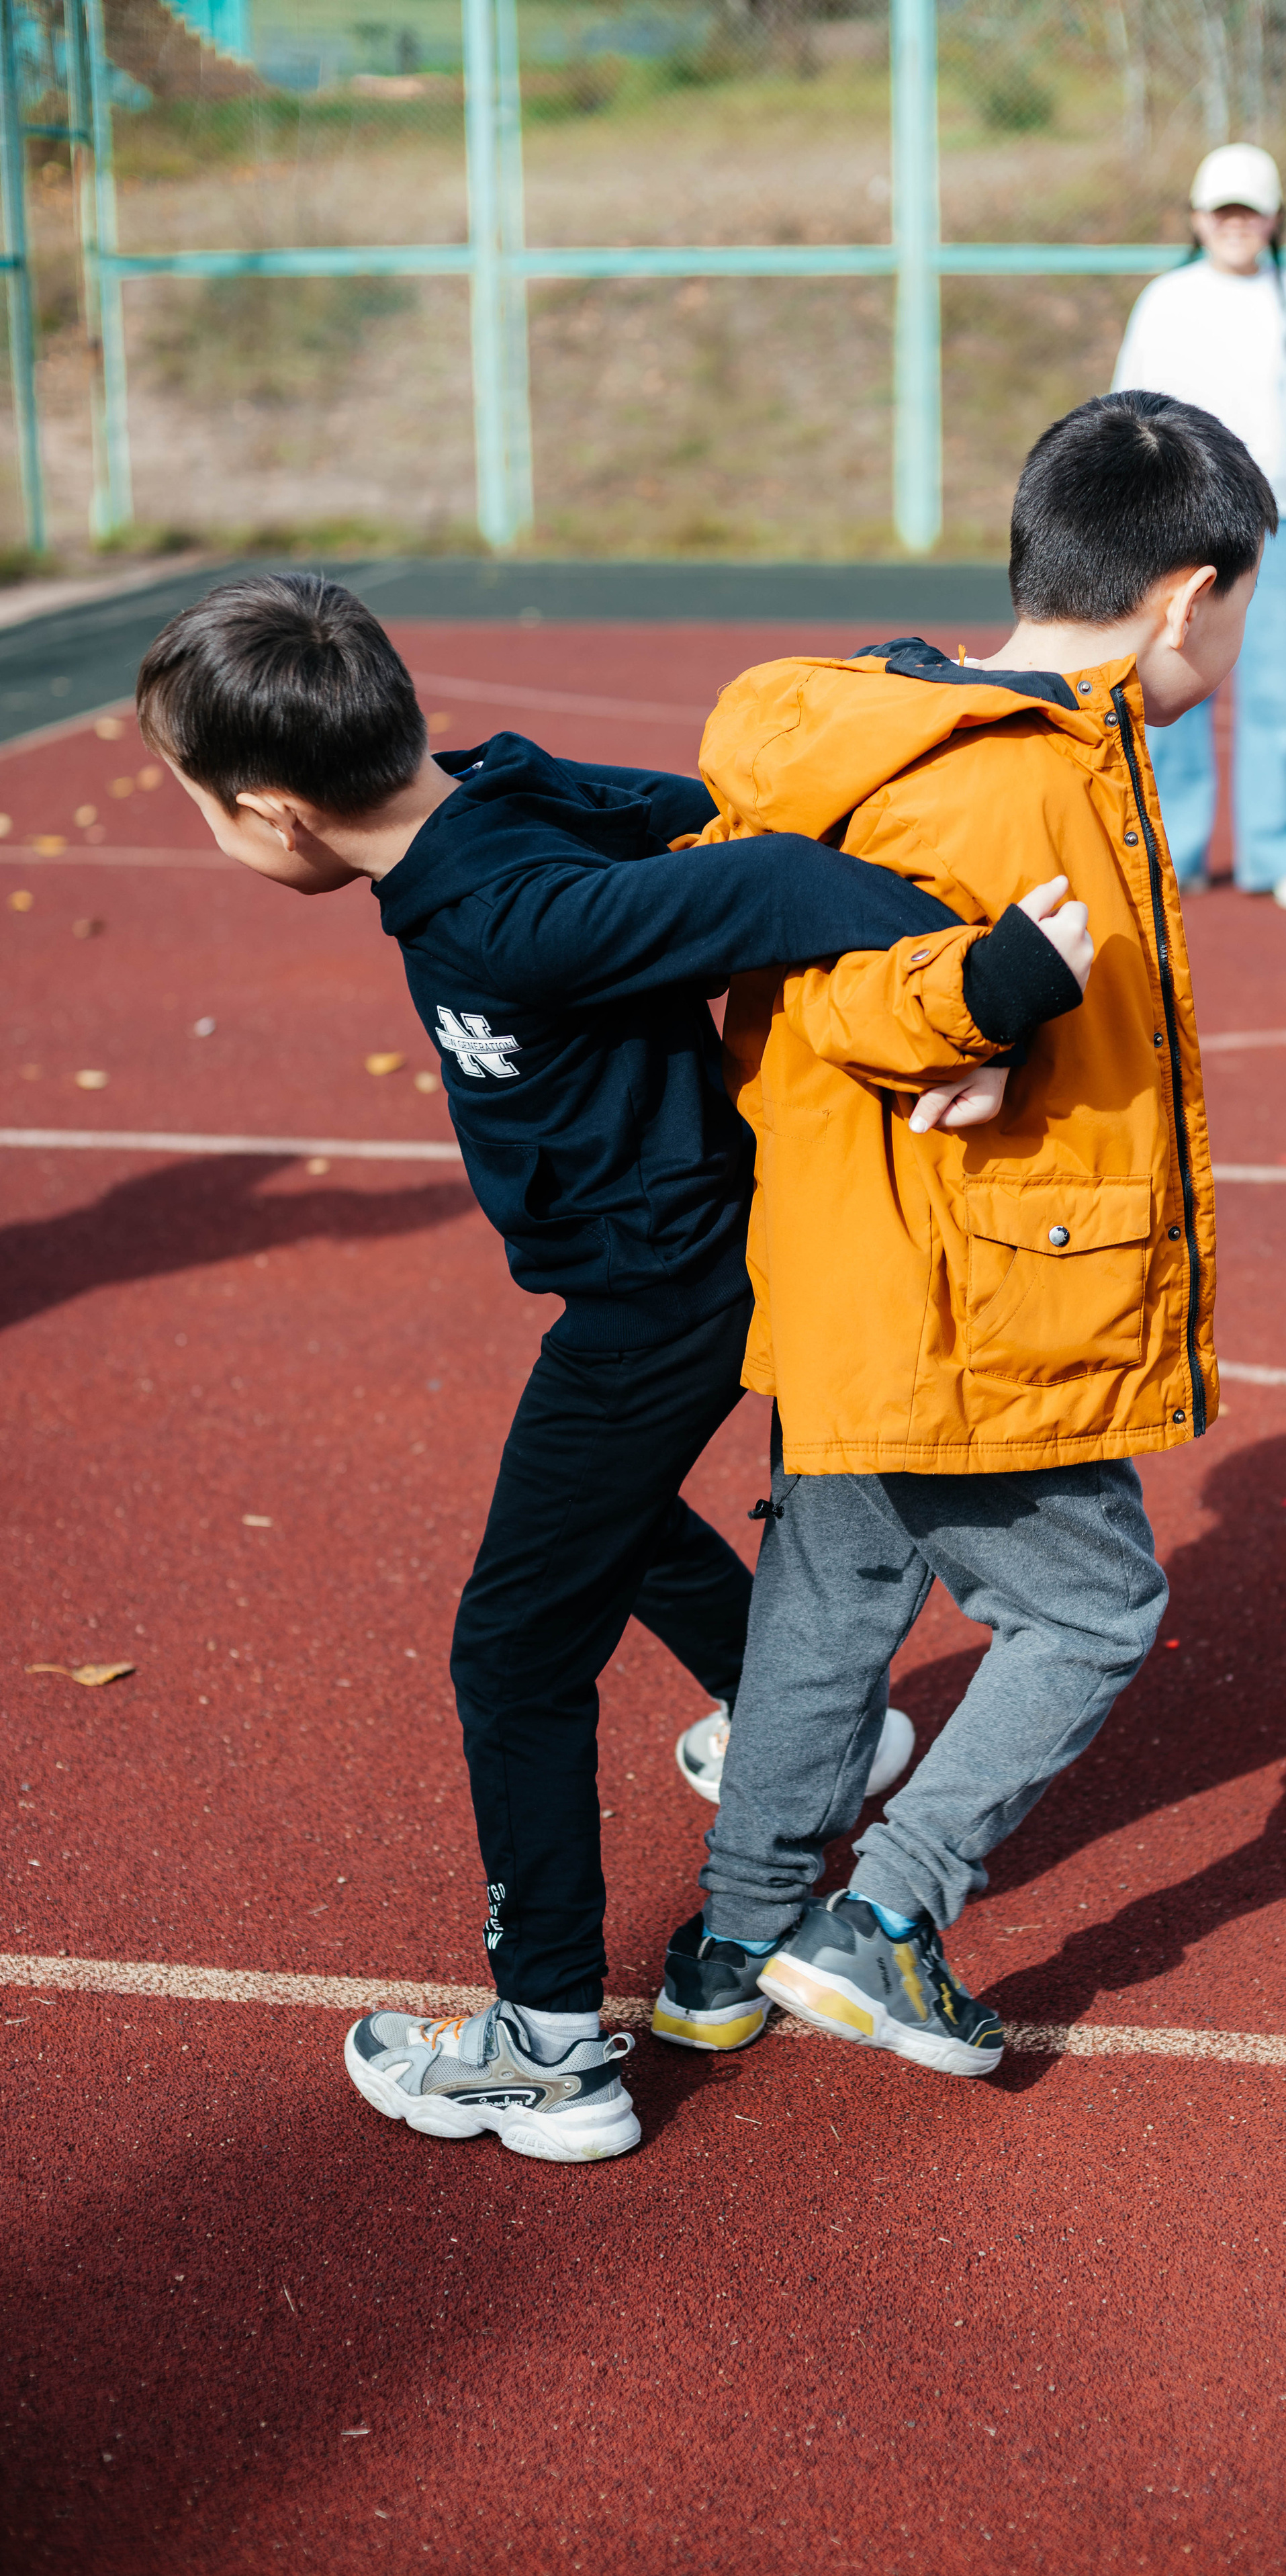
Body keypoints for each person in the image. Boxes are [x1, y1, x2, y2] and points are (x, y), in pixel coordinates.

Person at [134, 571, 1092, 2161]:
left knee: (511, 1648)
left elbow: (774, 878)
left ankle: (547, 2042)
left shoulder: (510, 911)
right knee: (601, 1517)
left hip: (658, 1295)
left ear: (270, 813)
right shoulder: (499, 793)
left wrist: (981, 993)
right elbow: (708, 811)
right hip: (654, 1279)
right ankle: (795, 1716)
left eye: (200, 810)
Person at [651, 390, 1276, 2078]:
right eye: (1244, 610)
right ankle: (890, 1909)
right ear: (1186, 596)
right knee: (1093, 1605)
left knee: (828, 1603)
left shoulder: (936, 727)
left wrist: (978, 1025)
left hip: (878, 1272)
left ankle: (736, 1932)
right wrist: (975, 1000)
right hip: (976, 1293)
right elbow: (855, 984)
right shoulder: (1007, 778)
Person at [1110, 140, 1286, 912]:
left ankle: (1277, 846)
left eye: (1250, 211)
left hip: (1274, 526)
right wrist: (1124, 516)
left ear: (1275, 218)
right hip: (1176, 523)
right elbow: (1127, 408)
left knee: (1277, 692)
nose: (1236, 225)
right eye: (1222, 212)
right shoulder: (1165, 300)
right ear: (1196, 218)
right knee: (1171, 689)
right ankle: (1173, 853)